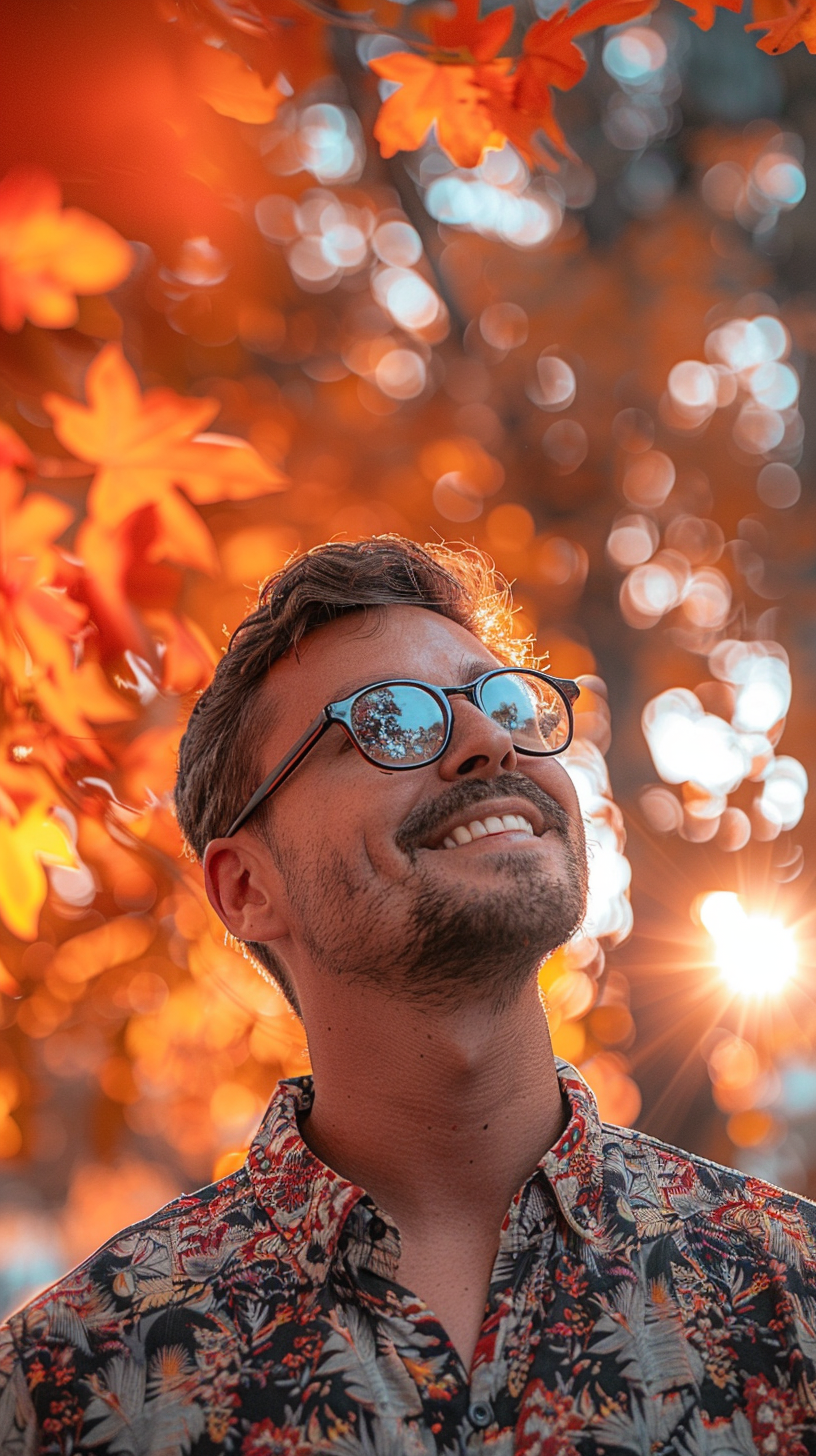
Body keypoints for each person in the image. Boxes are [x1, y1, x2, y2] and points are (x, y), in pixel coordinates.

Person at [2, 536, 816, 1456]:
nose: (490, 740)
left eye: (505, 700)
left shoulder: (789, 1294)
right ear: (245, 888)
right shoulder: (74, 1383)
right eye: (388, 719)